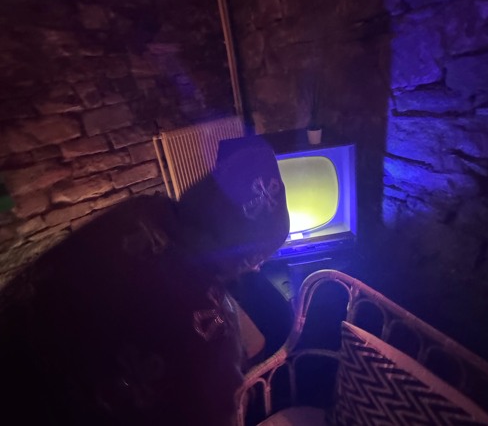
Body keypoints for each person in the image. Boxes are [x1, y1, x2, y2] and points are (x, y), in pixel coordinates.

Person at [0, 136, 289, 426]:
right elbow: (212, 409)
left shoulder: (140, 211)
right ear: (245, 254)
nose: (257, 267)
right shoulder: (212, 334)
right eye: (257, 257)